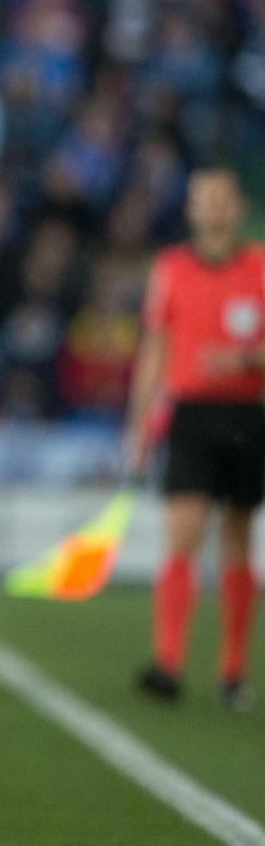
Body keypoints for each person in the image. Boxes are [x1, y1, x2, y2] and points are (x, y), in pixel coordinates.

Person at [126, 167, 265, 711]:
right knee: (182, 532)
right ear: (190, 209)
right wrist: (139, 425)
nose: (211, 210)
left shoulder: (258, 266)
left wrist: (246, 359)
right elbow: (155, 348)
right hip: (190, 414)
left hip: (247, 414)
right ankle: (169, 662)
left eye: (220, 201)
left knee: (237, 535)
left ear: (237, 207)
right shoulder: (171, 269)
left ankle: (232, 670)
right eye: (201, 201)